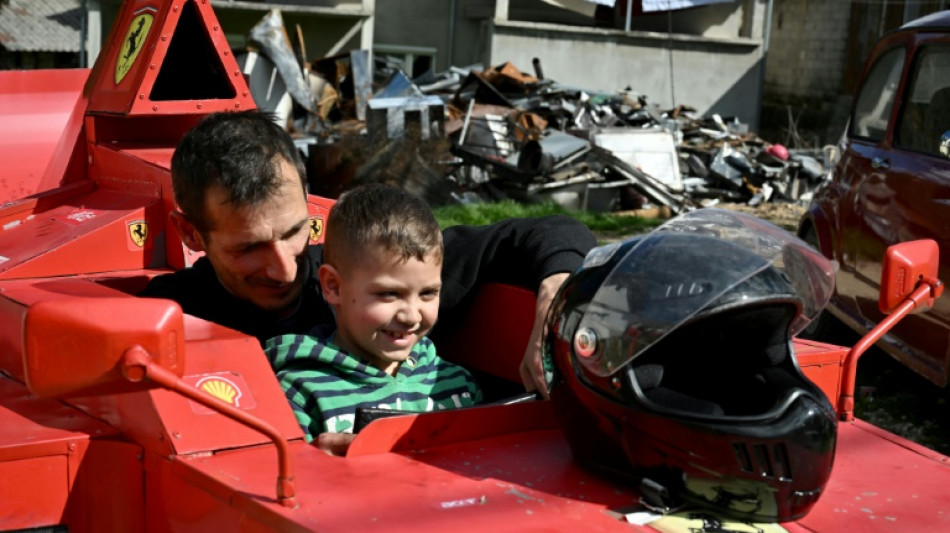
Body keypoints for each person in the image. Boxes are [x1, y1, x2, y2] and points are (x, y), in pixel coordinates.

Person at [140, 110, 596, 398]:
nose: (284, 269)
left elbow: (556, 230)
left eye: (296, 231)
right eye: (249, 247)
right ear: (192, 234)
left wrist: (554, 296)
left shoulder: (374, 271)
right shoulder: (165, 319)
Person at [266, 184, 483, 454]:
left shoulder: (456, 384)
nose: (411, 315)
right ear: (333, 286)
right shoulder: (299, 392)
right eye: (389, 294)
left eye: (428, 293)